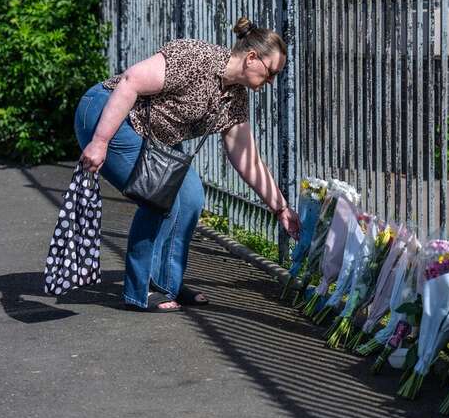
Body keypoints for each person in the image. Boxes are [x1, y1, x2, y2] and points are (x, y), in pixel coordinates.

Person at [74, 16, 301, 312]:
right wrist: (100, 141)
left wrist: (280, 207)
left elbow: (247, 159)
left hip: (154, 136)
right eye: (270, 73)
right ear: (251, 58)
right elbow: (130, 82)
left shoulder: (235, 100)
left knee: (191, 199)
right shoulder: (195, 57)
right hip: (110, 116)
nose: (270, 82)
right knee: (160, 198)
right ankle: (139, 290)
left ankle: (167, 284)